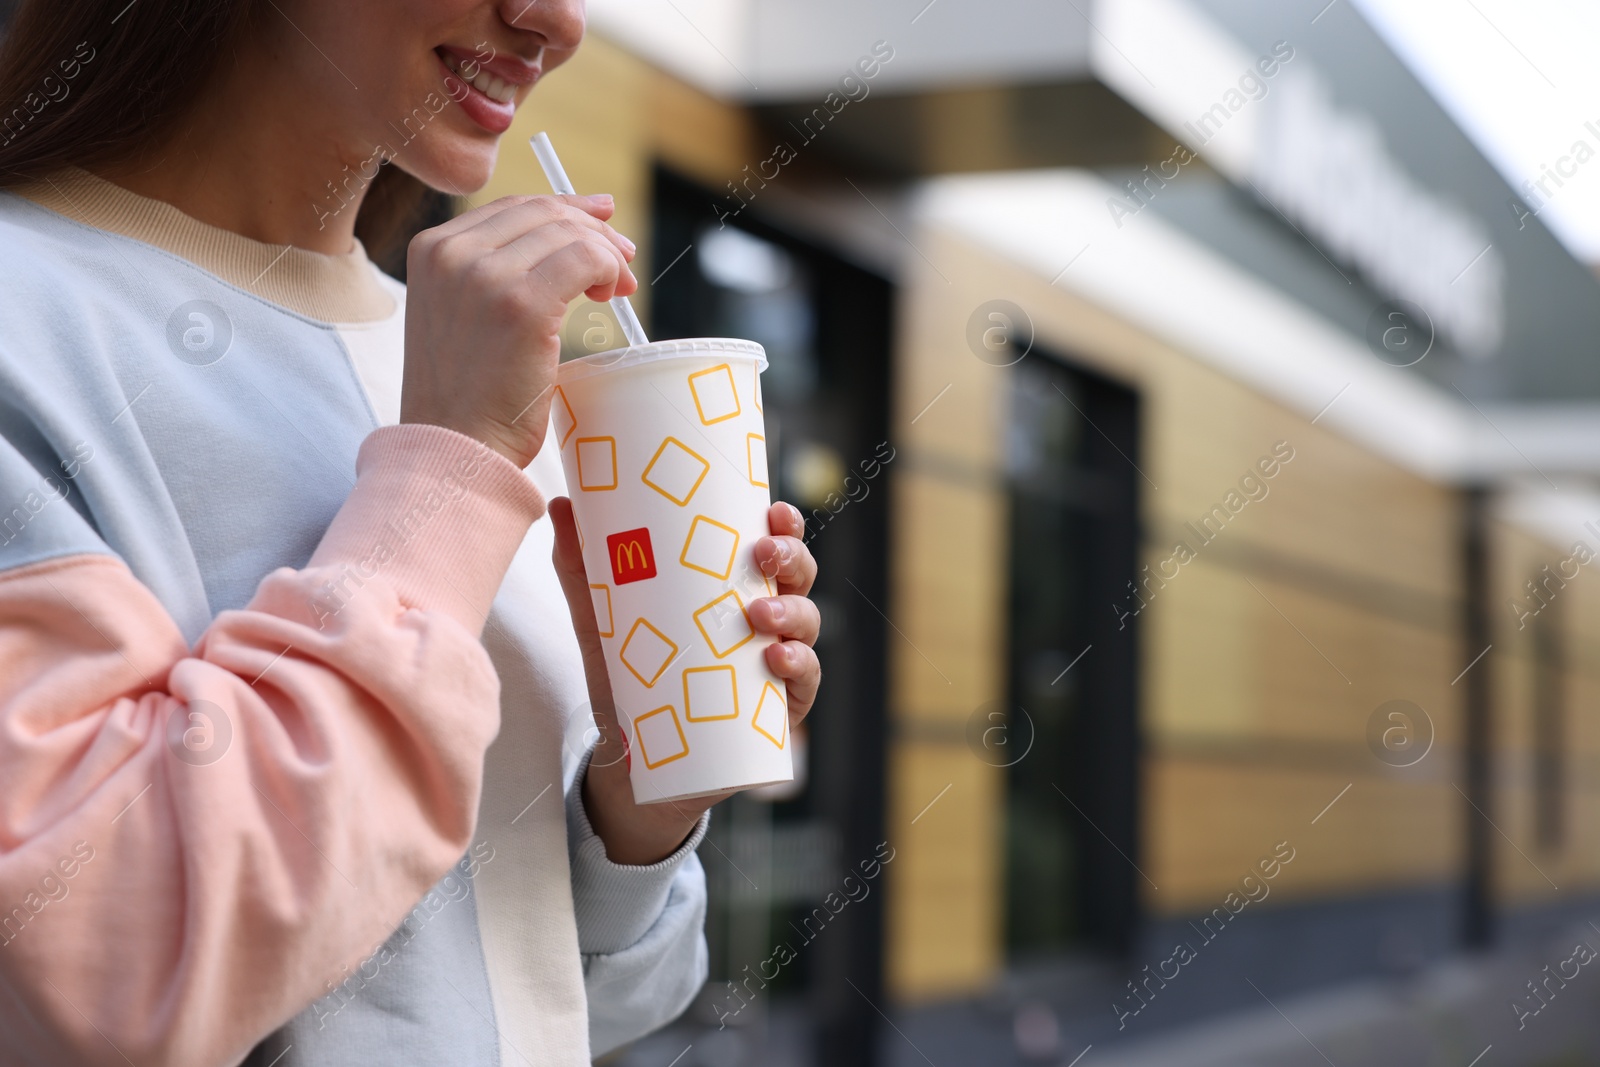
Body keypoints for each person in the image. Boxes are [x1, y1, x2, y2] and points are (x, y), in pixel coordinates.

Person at [0, 0, 824, 1064]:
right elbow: (96, 971)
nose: (550, 21)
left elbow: (595, 997)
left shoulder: (471, 356)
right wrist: (449, 463)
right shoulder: (30, 324)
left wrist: (637, 796)